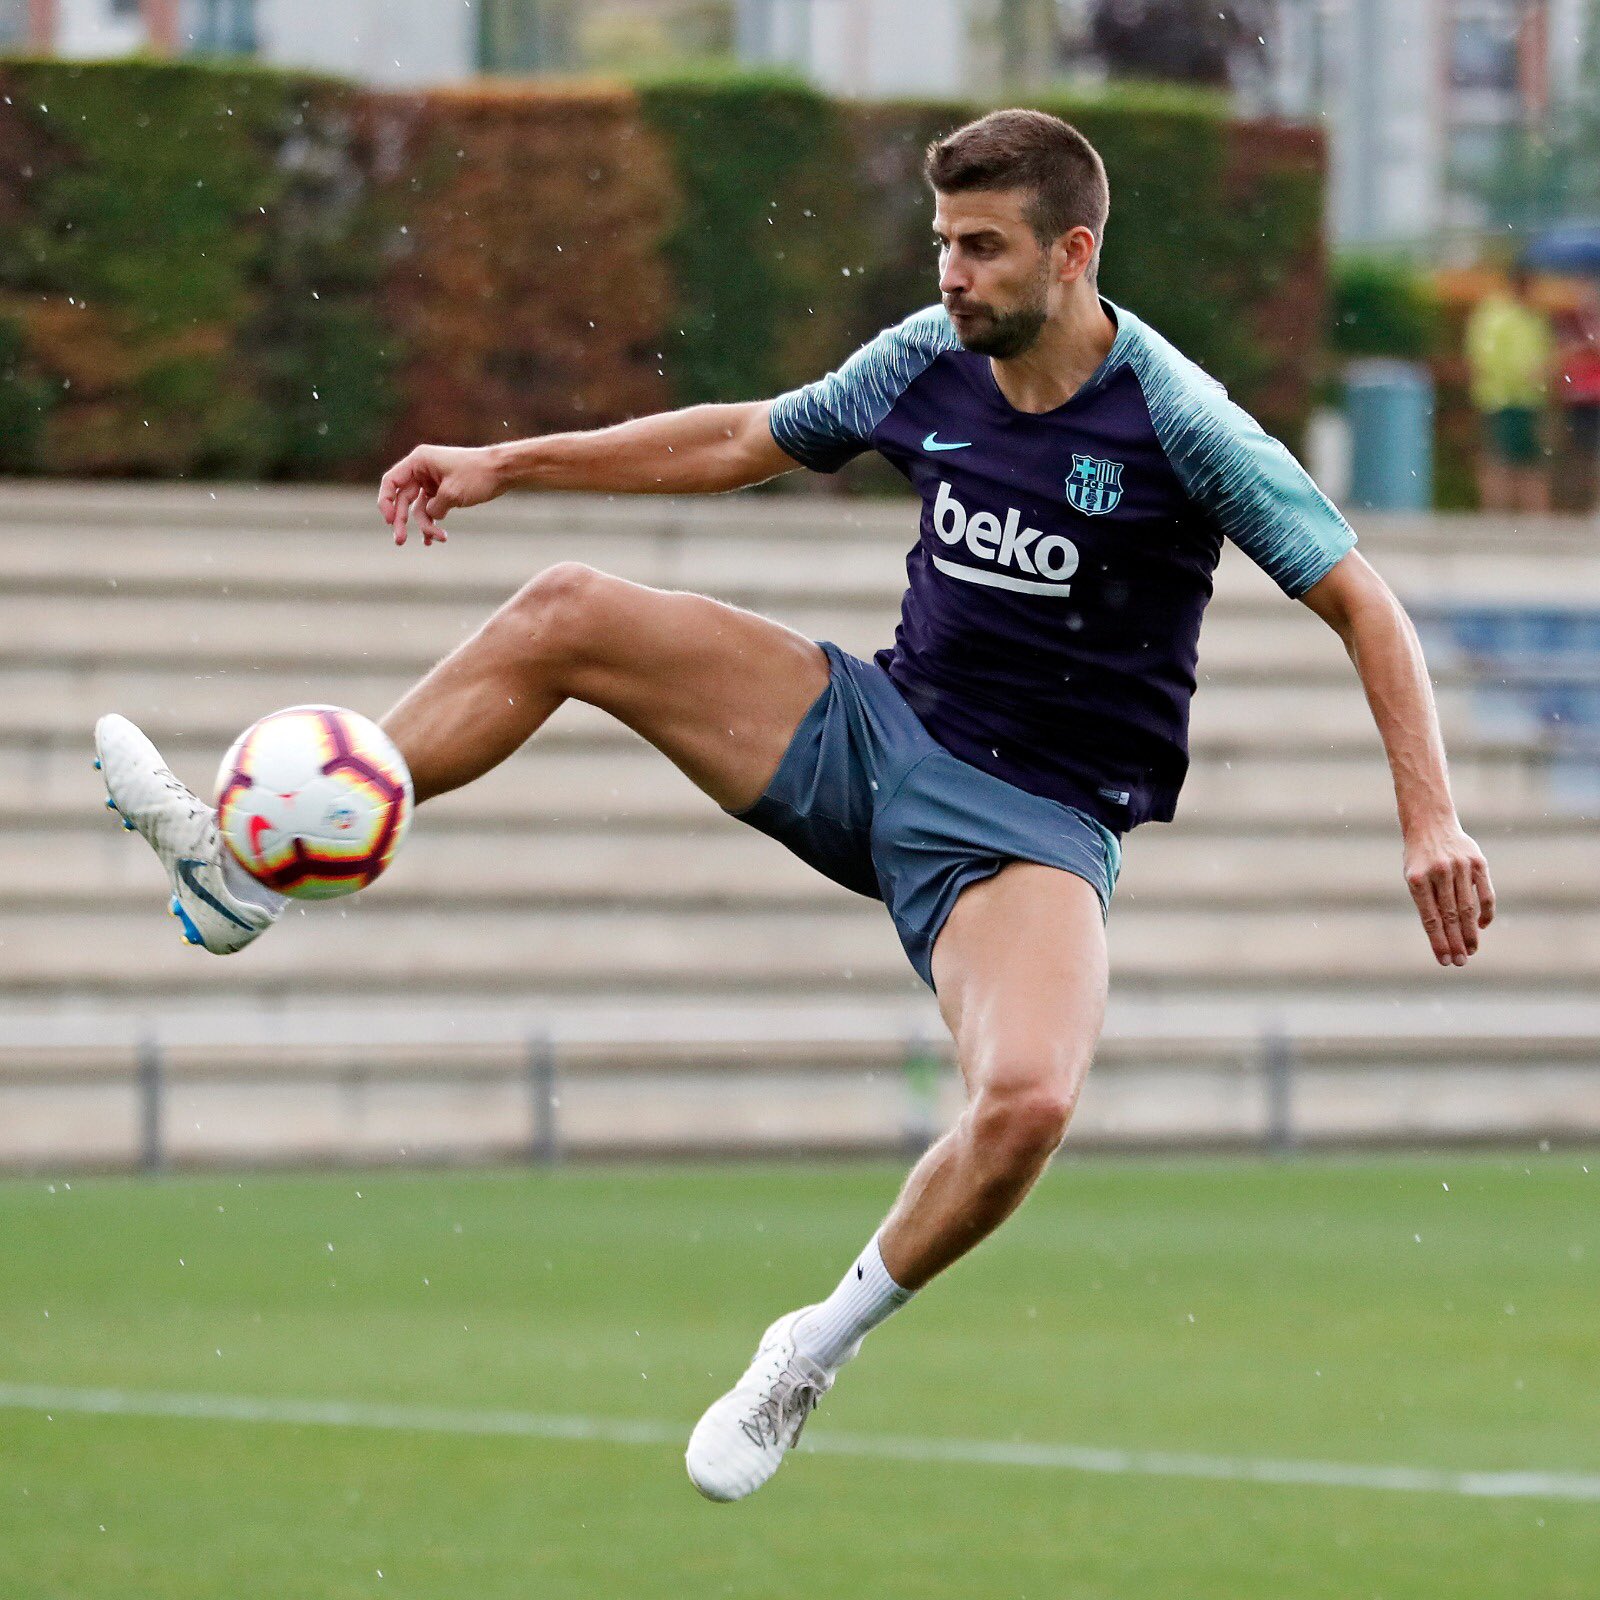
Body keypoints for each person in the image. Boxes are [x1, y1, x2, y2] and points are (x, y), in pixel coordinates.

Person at [95, 109, 1496, 1503]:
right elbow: (744, 438)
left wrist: (1428, 817)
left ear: (1073, 255)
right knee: (568, 608)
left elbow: (1362, 601)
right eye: (944, 242)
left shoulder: (1178, 419)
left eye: (985, 249)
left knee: (1025, 1104)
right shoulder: (925, 356)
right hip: (864, 733)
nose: (951, 274)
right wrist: (510, 464)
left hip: (1028, 828)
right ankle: (251, 874)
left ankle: (811, 1348)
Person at [1464, 261, 1555, 513]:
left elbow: (1542, 351)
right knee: (1499, 457)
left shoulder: (1533, 316)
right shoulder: (1496, 314)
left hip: (1529, 398)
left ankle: (1530, 515)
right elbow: (1485, 356)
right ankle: (1497, 513)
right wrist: (1522, 374)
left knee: (1529, 459)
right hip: (1500, 397)